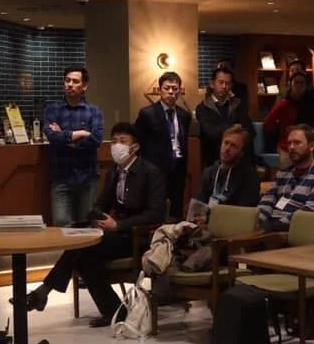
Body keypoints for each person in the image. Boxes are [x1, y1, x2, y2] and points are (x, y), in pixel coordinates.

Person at [26, 123, 166, 327]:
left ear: (135, 147)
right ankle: (115, 313)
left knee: (84, 249)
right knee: (83, 254)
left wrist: (119, 225)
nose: (117, 146)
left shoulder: (151, 173)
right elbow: (102, 203)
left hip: (138, 236)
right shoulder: (114, 172)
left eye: (123, 142)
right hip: (115, 235)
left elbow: (155, 214)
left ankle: (44, 291)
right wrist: (92, 218)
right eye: (114, 141)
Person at [43, 66, 104, 227]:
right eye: (67, 80)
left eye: (75, 81)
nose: (70, 84)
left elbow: (96, 139)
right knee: (61, 223)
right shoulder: (52, 110)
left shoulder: (94, 111)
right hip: (61, 177)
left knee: (86, 226)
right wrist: (80, 134)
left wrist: (65, 137)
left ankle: (84, 254)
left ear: (84, 86)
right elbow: (52, 136)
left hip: (87, 178)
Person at [257, 125, 314, 231]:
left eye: (297, 143)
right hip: (269, 229)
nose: (291, 147)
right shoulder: (282, 174)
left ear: (311, 146)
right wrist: (258, 222)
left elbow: (307, 213)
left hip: (295, 231)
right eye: (289, 143)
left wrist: (274, 227)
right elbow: (266, 202)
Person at [134, 71, 191, 219]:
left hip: (178, 167)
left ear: (179, 90)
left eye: (175, 88)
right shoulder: (147, 113)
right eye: (167, 88)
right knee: (156, 210)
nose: (171, 92)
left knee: (176, 210)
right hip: (156, 169)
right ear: (160, 90)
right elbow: (138, 142)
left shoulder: (184, 115)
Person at [193, 124, 261, 213]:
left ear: (241, 152)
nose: (227, 148)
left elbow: (243, 211)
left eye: (233, 146)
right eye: (226, 143)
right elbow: (200, 202)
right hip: (206, 222)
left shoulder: (249, 176)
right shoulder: (209, 172)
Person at [196, 66, 254, 168]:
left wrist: (225, 129)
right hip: (214, 158)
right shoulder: (203, 107)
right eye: (220, 82)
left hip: (239, 158)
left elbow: (249, 129)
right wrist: (235, 127)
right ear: (212, 84)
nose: (224, 86)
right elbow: (210, 132)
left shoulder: (238, 104)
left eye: (227, 83)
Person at [263, 71, 314, 169]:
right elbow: (268, 124)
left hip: (307, 146)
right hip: (287, 146)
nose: (299, 85)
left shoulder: (311, 103)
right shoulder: (283, 104)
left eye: (302, 83)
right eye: (296, 82)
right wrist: (281, 128)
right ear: (291, 84)